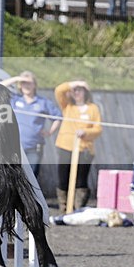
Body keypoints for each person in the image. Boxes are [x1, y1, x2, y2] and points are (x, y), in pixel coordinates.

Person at [0, 71, 61, 180]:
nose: (26, 86)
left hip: (34, 148)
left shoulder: (43, 102)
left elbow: (57, 117)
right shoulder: (15, 99)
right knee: (14, 177)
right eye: (24, 83)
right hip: (14, 147)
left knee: (30, 178)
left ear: (35, 85)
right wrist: (17, 78)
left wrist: (50, 132)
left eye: (29, 83)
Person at [53, 80, 102, 213]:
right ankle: (64, 207)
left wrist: (86, 132)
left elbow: (98, 129)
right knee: (63, 178)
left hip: (84, 148)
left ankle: (78, 207)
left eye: (80, 90)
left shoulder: (93, 108)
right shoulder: (68, 106)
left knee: (81, 179)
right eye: (75, 90)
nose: (77, 93)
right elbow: (59, 90)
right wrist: (74, 83)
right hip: (66, 146)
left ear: (86, 92)